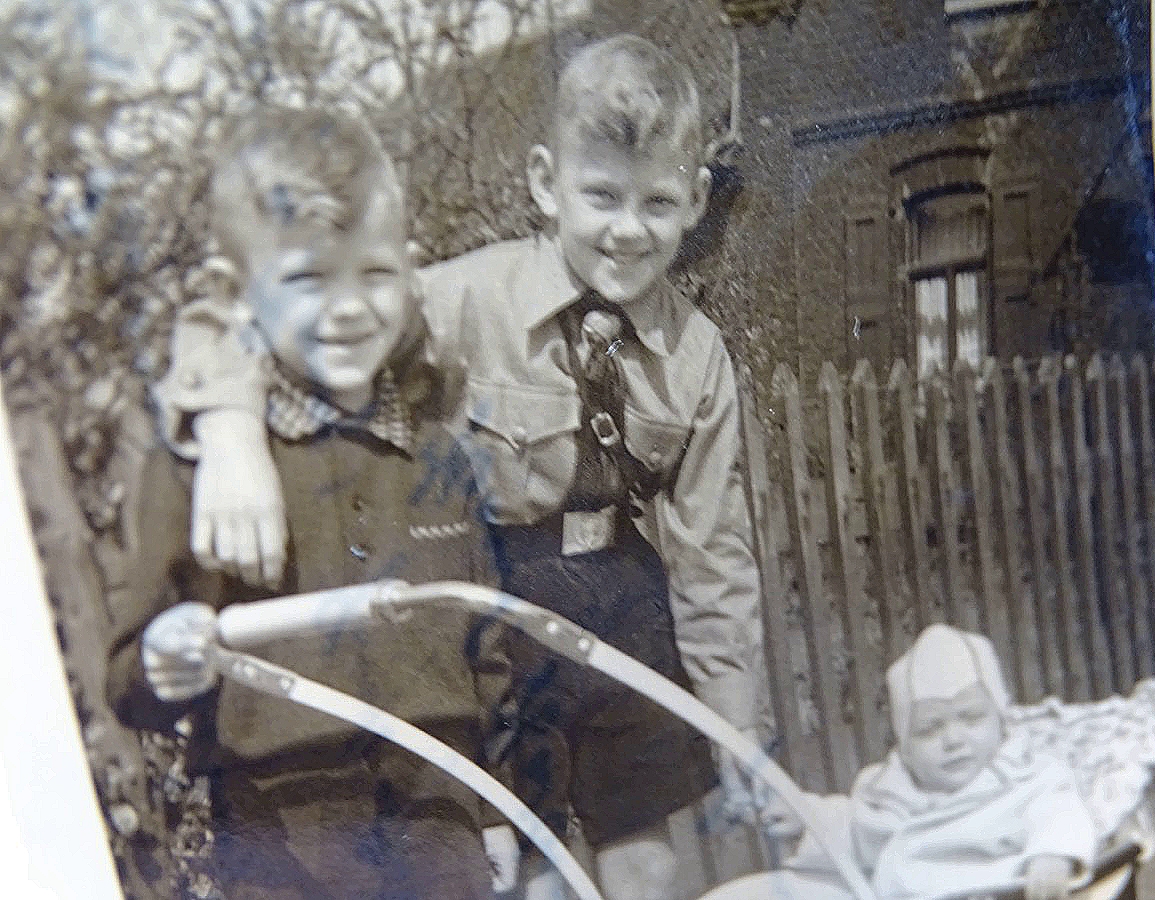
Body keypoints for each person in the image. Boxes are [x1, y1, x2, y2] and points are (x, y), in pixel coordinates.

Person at [154, 35, 768, 900]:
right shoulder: (459, 298)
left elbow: (715, 554)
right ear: (546, 184)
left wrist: (736, 723)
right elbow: (278, 312)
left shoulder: (699, 359)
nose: (628, 230)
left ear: (695, 200)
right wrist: (227, 426)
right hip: (499, 602)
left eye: (657, 202)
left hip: (628, 606)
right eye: (602, 196)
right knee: (523, 854)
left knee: (646, 854)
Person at [106, 106, 512, 900]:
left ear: (410, 268)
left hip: (439, 828)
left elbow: (486, 645)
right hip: (280, 842)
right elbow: (128, 677)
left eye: (373, 272)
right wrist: (166, 658)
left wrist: (495, 805)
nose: (349, 307)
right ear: (239, 296)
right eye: (306, 279)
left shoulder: (440, 455)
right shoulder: (200, 471)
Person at [753, 624, 1099, 900]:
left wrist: (1052, 857)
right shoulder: (894, 794)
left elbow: (1059, 810)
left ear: (1001, 721)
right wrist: (805, 817)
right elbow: (853, 828)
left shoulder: (1024, 777)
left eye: (971, 717)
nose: (953, 740)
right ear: (905, 747)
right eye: (929, 729)